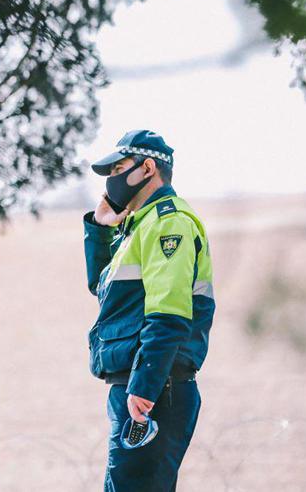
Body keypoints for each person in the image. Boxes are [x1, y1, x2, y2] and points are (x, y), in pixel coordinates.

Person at [83, 130, 216, 491]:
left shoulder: (167, 224)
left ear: (147, 168)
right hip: (138, 385)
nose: (111, 180)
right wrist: (98, 228)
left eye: (118, 169)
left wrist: (144, 386)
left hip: (156, 388)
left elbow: (169, 316)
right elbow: (102, 287)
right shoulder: (138, 227)